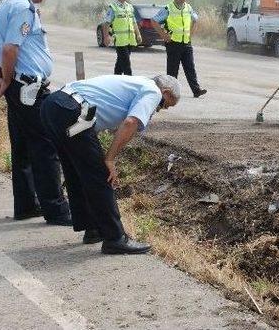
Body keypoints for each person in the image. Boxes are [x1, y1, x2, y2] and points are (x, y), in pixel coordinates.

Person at [40, 74, 181, 254]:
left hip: (53, 105)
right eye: (163, 105)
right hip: (72, 111)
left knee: (77, 172)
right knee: (101, 176)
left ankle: (93, 228)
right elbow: (131, 123)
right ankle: (115, 238)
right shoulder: (153, 91)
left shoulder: (134, 83)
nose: (158, 109)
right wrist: (110, 159)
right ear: (165, 92)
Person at [0, 0, 71, 225]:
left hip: (16, 87)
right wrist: (8, 79)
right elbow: (10, 49)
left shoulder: (5, 6)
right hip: (28, 88)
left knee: (22, 146)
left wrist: (0, 78)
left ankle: (26, 204)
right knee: (46, 146)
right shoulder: (24, 8)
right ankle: (55, 209)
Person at [151, 0, 207, 98]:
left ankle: (196, 90)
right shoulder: (168, 8)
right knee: (172, 71)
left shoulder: (188, 7)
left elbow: (195, 19)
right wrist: (163, 35)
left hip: (186, 43)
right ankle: (170, 93)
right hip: (173, 43)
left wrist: (191, 33)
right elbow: (154, 21)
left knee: (190, 67)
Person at [102, 0, 142, 76]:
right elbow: (106, 23)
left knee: (120, 63)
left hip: (130, 40)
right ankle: (130, 82)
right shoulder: (113, 7)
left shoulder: (130, 7)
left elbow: (134, 22)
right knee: (126, 64)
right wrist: (106, 37)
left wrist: (138, 34)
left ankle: (116, 78)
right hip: (120, 41)